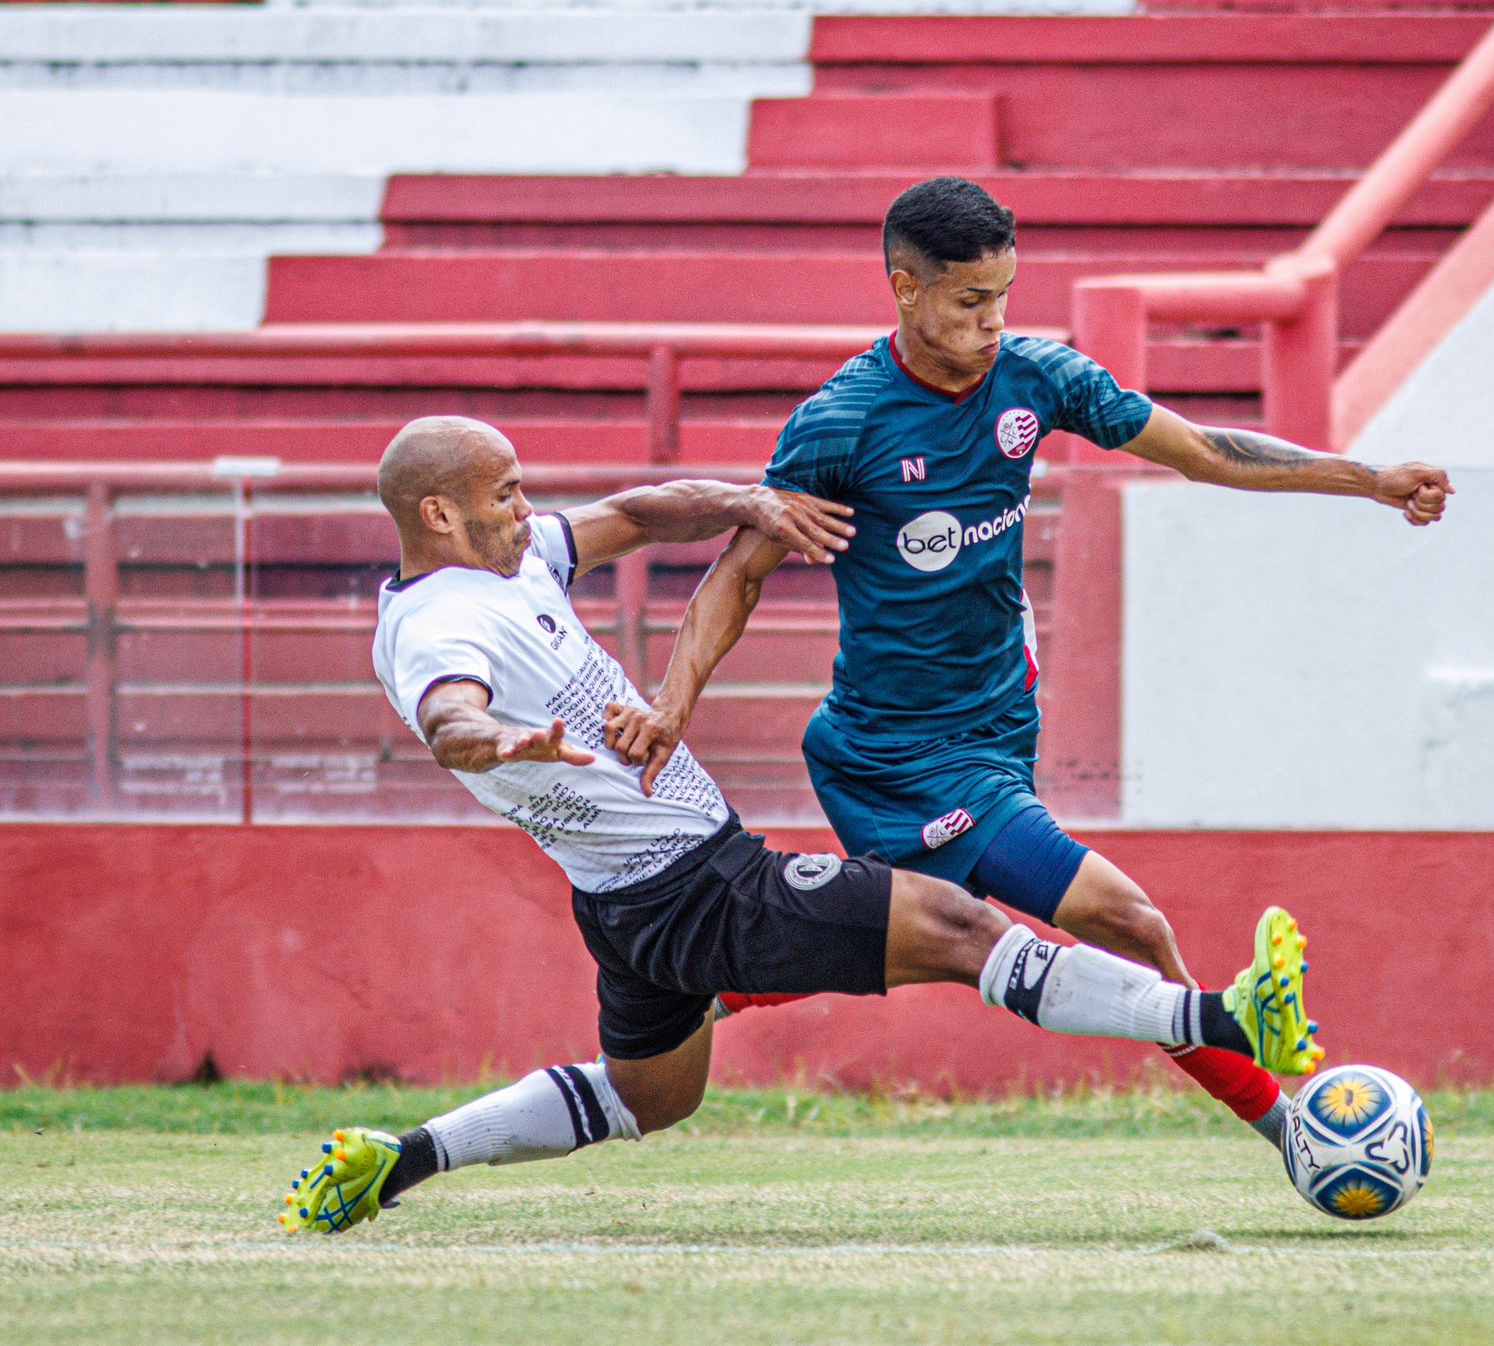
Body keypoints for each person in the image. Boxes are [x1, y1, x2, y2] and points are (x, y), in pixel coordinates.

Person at [280, 414, 1317, 1235]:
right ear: (439, 514)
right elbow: (447, 716)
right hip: (692, 883)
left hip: (628, 908)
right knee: (961, 929)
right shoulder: (435, 622)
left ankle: (396, 1158)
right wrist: (499, 740)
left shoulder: (511, 565)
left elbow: (640, 513)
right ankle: (1225, 1019)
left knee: (647, 1099)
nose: (526, 506)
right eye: (504, 493)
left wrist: (749, 503)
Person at [601, 177, 1452, 1155]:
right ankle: (1289, 1129)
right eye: (970, 300)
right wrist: (671, 702)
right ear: (904, 288)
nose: (992, 319)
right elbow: (735, 577)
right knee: (1125, 920)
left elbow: (1203, 451)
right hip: (891, 753)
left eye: (1004, 293)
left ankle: (704, 982)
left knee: (912, 936)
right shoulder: (842, 423)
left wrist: (1368, 479)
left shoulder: (1037, 378)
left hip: (996, 729)